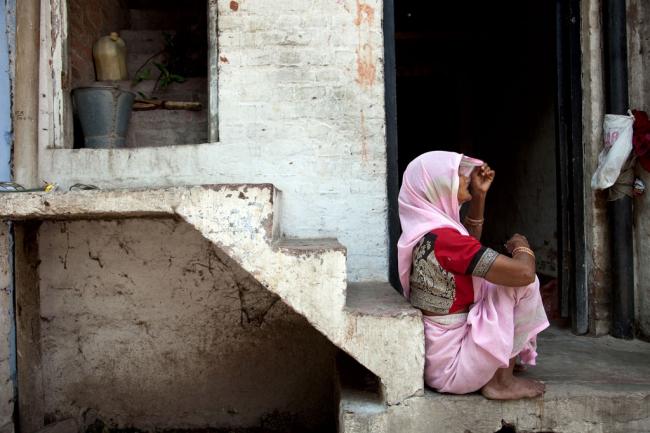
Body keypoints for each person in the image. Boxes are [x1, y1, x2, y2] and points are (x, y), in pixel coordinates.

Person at [397, 151, 549, 400]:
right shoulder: (446, 240)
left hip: (440, 363)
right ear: (437, 186)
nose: (465, 176)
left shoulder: (429, 233)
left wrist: (479, 196)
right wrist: (522, 246)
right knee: (523, 285)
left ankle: (497, 365)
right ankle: (501, 381)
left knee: (494, 286)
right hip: (455, 368)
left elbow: (465, 250)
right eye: (456, 174)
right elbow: (524, 273)